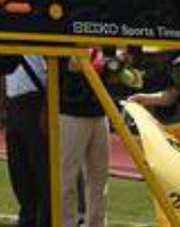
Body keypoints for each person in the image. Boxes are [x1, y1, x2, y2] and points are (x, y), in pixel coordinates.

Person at [57, 49, 109, 227]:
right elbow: (73, 66)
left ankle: (97, 223)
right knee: (66, 177)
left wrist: (116, 64)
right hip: (72, 113)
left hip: (100, 112)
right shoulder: (67, 39)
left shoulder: (102, 44)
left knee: (99, 178)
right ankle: (66, 223)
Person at [4, 55, 49, 227]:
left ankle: (46, 219)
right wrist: (3, 105)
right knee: (18, 168)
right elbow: (5, 74)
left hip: (35, 99)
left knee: (42, 168)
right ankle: (28, 218)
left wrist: (46, 106)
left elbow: (52, 69)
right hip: (14, 101)